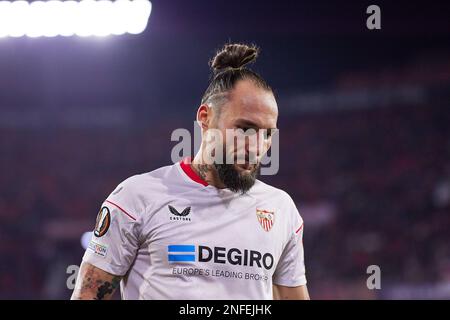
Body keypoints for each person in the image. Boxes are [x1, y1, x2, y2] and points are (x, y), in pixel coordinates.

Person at [71, 43, 309, 300]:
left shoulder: (281, 209)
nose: (256, 146)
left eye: (267, 134)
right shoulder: (136, 197)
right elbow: (89, 294)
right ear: (205, 118)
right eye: (244, 128)